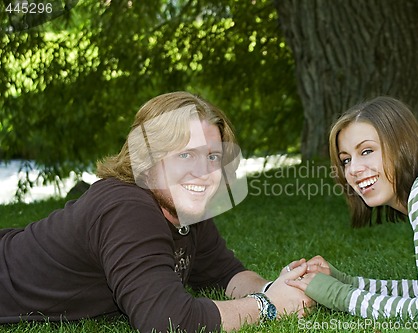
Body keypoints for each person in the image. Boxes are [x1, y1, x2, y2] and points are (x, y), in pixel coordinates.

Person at [0, 91, 314, 333]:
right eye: (186, 154)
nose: (203, 172)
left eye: (213, 156)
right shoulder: (125, 207)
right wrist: (267, 307)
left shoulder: (186, 209)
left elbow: (225, 273)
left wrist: (278, 287)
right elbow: (166, 321)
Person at [287, 96, 418, 325]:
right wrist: (346, 281)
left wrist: (338, 295)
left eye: (366, 151)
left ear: (402, 145)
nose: (354, 169)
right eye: (346, 160)